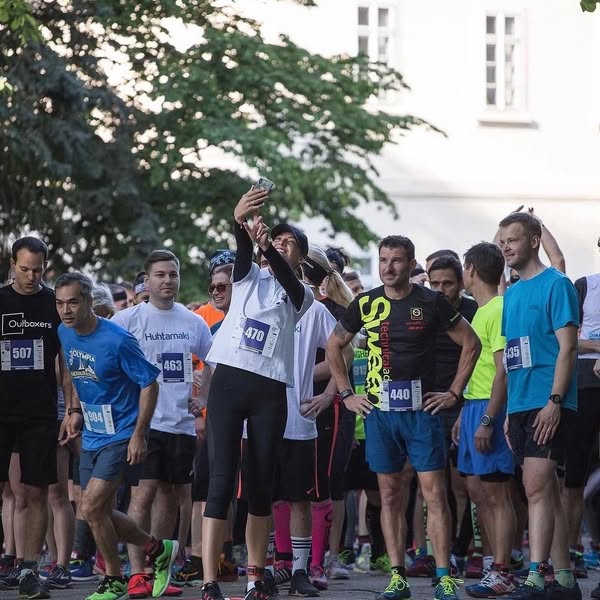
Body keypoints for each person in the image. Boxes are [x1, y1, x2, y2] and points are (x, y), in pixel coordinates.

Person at [327, 234, 481, 600]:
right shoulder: (366, 303)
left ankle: (443, 576)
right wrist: (347, 394)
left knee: (435, 494)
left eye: (396, 260)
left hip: (421, 413)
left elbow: (471, 342)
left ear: (411, 265)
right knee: (389, 494)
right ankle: (397, 576)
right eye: (383, 260)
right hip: (380, 414)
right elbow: (334, 344)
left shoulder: (431, 301)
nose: (388, 267)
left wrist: (453, 393)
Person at [200, 189, 313, 600]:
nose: (279, 244)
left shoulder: (302, 293)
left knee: (261, 485)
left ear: (301, 256)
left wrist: (269, 247)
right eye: (275, 238)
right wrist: (239, 221)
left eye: (288, 242)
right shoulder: (247, 277)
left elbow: (288, 281)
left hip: (269, 390)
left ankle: (255, 578)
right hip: (230, 383)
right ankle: (209, 581)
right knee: (220, 482)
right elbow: (244, 252)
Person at [55, 272, 179, 600]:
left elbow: (149, 383)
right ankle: (158, 549)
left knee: (92, 506)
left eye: (73, 302)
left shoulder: (118, 339)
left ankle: (114, 578)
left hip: (121, 432)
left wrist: (140, 434)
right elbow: (72, 369)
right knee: (95, 511)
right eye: (60, 303)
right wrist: (73, 410)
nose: (66, 310)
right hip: (92, 433)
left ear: (88, 301)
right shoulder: (64, 332)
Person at [111, 250, 212, 598]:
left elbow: (213, 361)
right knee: (143, 494)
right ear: (147, 280)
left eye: (173, 274)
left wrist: (203, 398)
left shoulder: (192, 321)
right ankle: (136, 572)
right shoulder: (128, 320)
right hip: (143, 423)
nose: (168, 280)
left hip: (180, 424)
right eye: (160, 275)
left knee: (169, 494)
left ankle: (159, 574)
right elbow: (106, 356)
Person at [497, 212, 580, 600]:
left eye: (512, 240)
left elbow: (568, 348)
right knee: (544, 492)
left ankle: (535, 577)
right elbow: (512, 357)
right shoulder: (512, 293)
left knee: (534, 488)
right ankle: (565, 581)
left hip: (549, 402)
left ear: (533, 241)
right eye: (501, 242)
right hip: (520, 405)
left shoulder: (557, 284)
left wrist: (555, 402)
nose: (505, 248)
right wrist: (508, 412)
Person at [0, 236, 68, 600]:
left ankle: (29, 570)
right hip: (2, 410)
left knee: (38, 490)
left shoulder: (53, 304)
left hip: (40, 412)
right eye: (24, 269)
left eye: (38, 270)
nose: (31, 277)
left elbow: (67, 363)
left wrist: (72, 408)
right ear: (12, 264)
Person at [452, 243, 516, 598]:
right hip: (474, 406)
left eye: (464, 268)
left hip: (492, 408)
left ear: (471, 270)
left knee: (496, 492)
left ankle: (503, 570)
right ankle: (494, 564)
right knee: (478, 492)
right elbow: (480, 370)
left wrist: (489, 419)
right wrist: (466, 412)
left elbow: (502, 370)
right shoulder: (480, 312)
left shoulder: (498, 309)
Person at [408, 256, 477, 578]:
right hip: (425, 403)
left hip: (461, 403)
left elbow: (479, 358)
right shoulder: (420, 307)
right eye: (434, 283)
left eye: (447, 283)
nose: (440, 289)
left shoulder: (472, 311)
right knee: (425, 485)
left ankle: (468, 551)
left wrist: (462, 401)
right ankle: (425, 552)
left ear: (461, 283)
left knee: (464, 486)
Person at [561, 260, 600, 580]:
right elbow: (567, 338)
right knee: (574, 476)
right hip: (584, 383)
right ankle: (571, 551)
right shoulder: (585, 285)